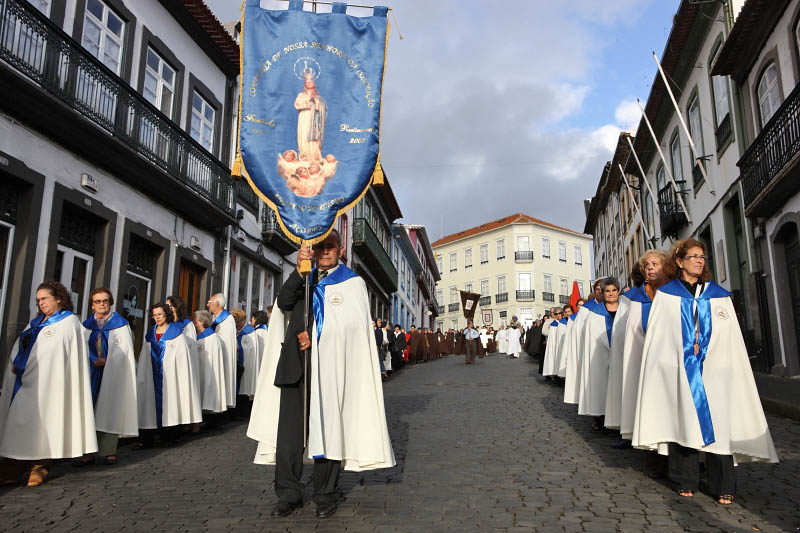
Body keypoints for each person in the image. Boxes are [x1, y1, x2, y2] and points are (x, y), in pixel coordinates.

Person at [247, 230, 394, 519]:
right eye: (320, 247)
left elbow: (352, 329)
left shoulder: (353, 284)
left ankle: (325, 493)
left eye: (330, 247)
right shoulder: (304, 276)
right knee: (289, 436)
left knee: (327, 429)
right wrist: (300, 268)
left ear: (341, 250)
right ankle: (288, 493)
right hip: (295, 367)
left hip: (330, 370)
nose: (325, 252)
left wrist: (316, 338)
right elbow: (285, 304)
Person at [633, 238, 778, 505]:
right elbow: (660, 339)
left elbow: (730, 339)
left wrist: (714, 355)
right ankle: (684, 479)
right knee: (683, 420)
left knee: (721, 425)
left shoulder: (718, 295)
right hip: (680, 370)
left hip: (716, 372)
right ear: (679, 261)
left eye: (702, 257)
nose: (699, 261)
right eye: (694, 256)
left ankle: (723, 484)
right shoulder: (666, 296)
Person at [0, 281, 96, 486]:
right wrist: (16, 362)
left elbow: (66, 355)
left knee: (45, 422)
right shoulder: (35, 323)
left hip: (51, 383)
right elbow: (21, 345)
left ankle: (40, 464)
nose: (41, 303)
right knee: (19, 420)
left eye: (44, 298)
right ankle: (14, 465)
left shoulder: (70, 323)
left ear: (59, 298)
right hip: (24, 382)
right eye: (38, 300)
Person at [75, 288, 138, 467]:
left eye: (105, 301)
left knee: (109, 410)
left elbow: (124, 350)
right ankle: (88, 452)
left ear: (110, 302)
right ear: (92, 305)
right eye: (97, 301)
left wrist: (108, 360)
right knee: (89, 409)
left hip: (112, 373)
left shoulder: (120, 324)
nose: (102, 304)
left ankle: (108, 451)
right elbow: (80, 349)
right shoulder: (86, 326)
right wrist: (93, 360)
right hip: (91, 372)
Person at [618, 251, 669, 447]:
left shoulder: (674, 293)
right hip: (641, 360)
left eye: (654, 264)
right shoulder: (634, 298)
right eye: (646, 265)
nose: (649, 268)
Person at [136, 302, 202, 448]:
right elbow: (144, 359)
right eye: (154, 315)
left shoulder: (177, 334)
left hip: (170, 378)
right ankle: (148, 439)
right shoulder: (150, 334)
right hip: (151, 377)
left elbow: (182, 360)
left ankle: (169, 436)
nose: (157, 317)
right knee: (149, 405)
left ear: (166, 314)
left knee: (170, 404)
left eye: (160, 314)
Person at [577, 278, 619, 430]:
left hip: (620, 354)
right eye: (606, 291)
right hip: (600, 355)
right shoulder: (594, 313)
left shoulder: (626, 309)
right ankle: (600, 417)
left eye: (614, 290)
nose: (610, 294)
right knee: (600, 385)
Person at [168, 295, 199, 431]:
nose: (167, 308)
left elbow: (191, 345)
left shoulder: (187, 324)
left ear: (176, 307)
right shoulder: (167, 323)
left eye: (170, 306)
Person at [193, 310, 227, 420]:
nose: (193, 323)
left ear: (201, 322)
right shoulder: (196, 336)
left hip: (208, 371)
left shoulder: (212, 338)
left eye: (195, 321)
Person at [208, 293, 238, 411]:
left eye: (210, 303)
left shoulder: (227, 320)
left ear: (217, 304)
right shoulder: (216, 318)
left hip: (223, 357)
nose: (207, 305)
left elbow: (225, 342)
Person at [294, 73, 327, 162]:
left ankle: (315, 157)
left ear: (314, 84)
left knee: (315, 138)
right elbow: (297, 105)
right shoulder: (301, 95)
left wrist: (316, 103)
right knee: (304, 136)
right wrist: (309, 100)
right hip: (304, 118)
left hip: (315, 119)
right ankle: (304, 158)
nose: (309, 83)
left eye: (310, 81)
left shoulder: (319, 97)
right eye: (307, 82)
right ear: (304, 84)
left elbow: (323, 109)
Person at [232, 308, 258, 416]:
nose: (237, 324)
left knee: (244, 387)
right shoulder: (233, 330)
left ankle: (242, 413)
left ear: (243, 320)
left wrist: (239, 348)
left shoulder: (250, 332)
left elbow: (251, 348)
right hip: (235, 364)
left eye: (238, 322)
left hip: (246, 364)